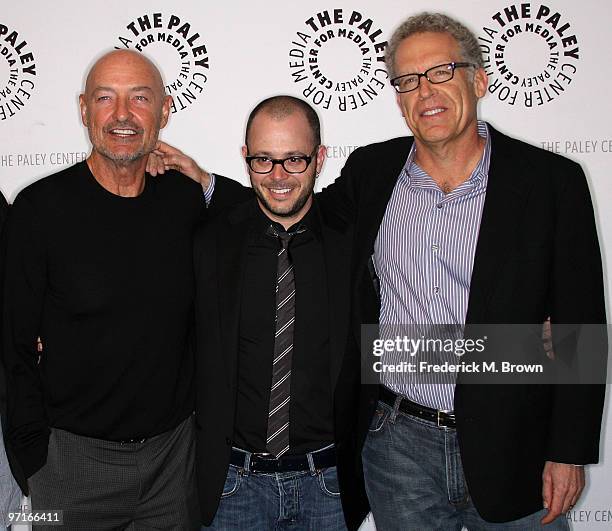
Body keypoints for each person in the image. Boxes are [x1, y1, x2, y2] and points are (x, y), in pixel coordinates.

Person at [314, 11, 606, 530]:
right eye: (408, 80)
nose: (425, 90)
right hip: (397, 446)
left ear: (479, 79)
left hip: (518, 444)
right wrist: (207, 185)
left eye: (442, 71)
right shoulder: (370, 172)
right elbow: (296, 218)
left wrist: (569, 451)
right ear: (399, 98)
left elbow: (579, 326)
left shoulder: (551, 182)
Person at [0, 49, 243, 530]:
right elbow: (15, 345)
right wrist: (35, 461)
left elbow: (260, 219)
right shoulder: (38, 210)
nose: (123, 115)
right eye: (105, 98)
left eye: (140, 98)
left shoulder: (187, 200)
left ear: (165, 109)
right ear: (83, 109)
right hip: (67, 465)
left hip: (173, 465)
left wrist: (204, 177)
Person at [192, 96, 368, 530]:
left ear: (320, 157)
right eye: (263, 161)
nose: (278, 177)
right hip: (233, 484)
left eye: (294, 160)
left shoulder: (355, 239)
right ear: (245, 158)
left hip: (328, 483)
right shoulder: (209, 243)